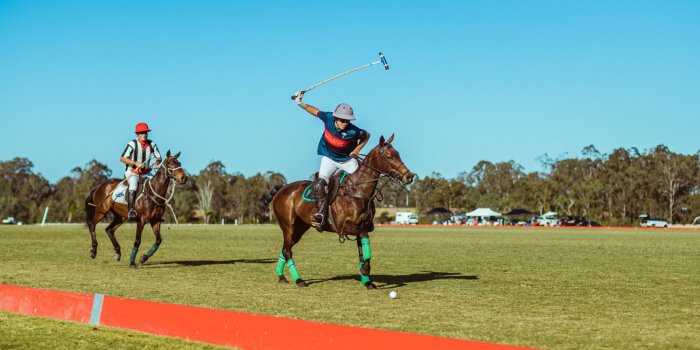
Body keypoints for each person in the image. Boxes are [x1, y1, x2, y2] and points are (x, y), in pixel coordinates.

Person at [293, 91, 370, 228]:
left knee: (363, 183)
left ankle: (367, 213)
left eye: (347, 121)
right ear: (335, 118)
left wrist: (356, 150)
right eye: (342, 120)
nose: (345, 123)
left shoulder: (354, 131)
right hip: (329, 159)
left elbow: (366, 136)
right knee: (319, 184)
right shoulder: (328, 118)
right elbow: (313, 110)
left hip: (347, 160)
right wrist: (299, 102)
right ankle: (321, 215)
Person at [119, 122, 162, 219]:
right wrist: (135, 163)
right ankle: (130, 211)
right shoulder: (132, 144)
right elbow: (122, 158)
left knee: (156, 186)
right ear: (137, 134)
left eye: (146, 133)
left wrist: (156, 163)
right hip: (132, 171)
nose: (144, 135)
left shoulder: (152, 144)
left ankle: (157, 210)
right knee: (133, 186)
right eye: (142, 133)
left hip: (146, 172)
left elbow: (159, 157)